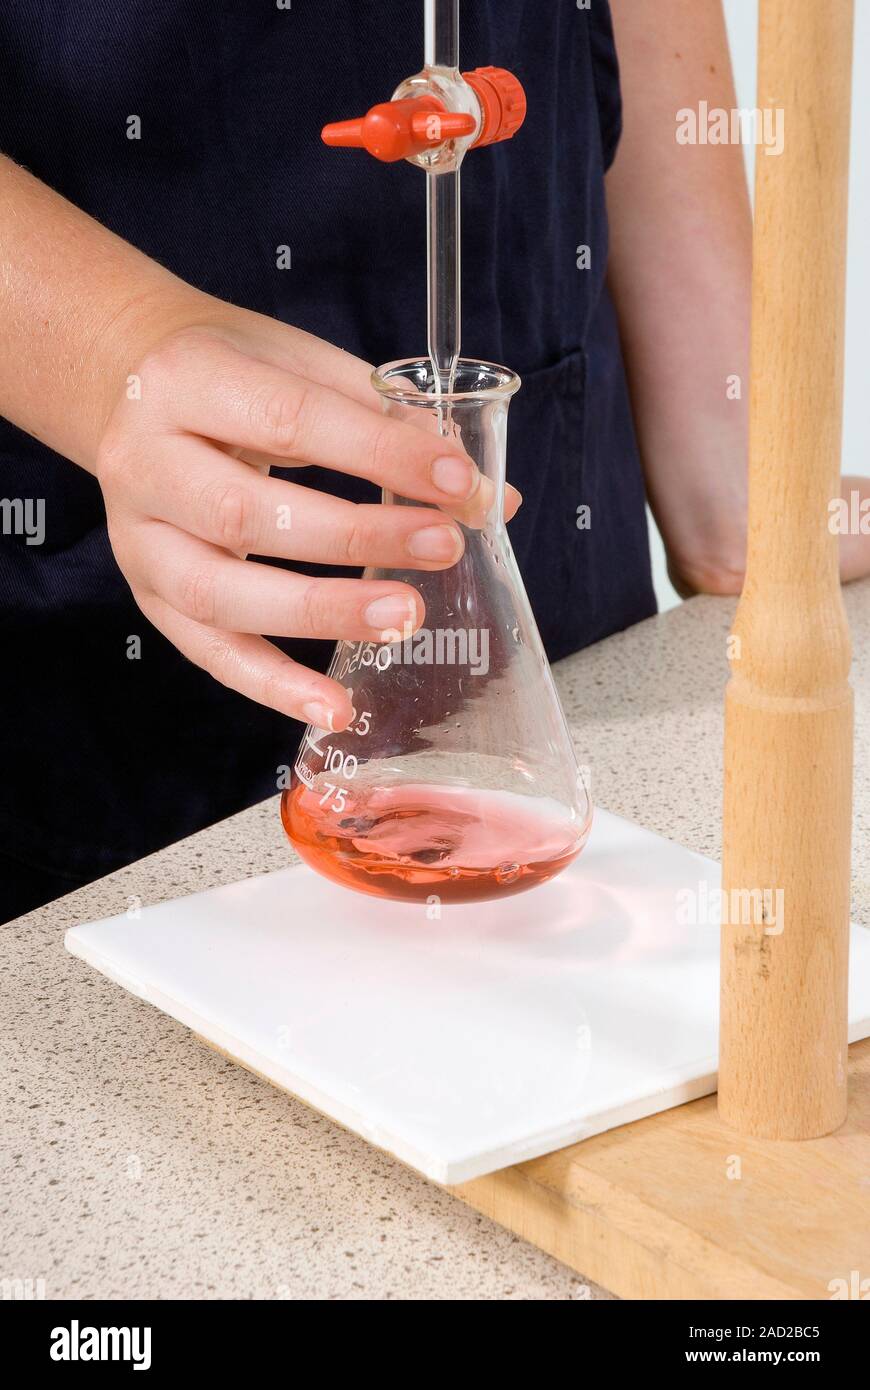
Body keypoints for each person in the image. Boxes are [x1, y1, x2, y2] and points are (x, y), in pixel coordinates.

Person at [0, 1, 865, 922]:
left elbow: (740, 499)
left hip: (570, 667)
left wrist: (742, 459)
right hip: (93, 728)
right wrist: (116, 354)